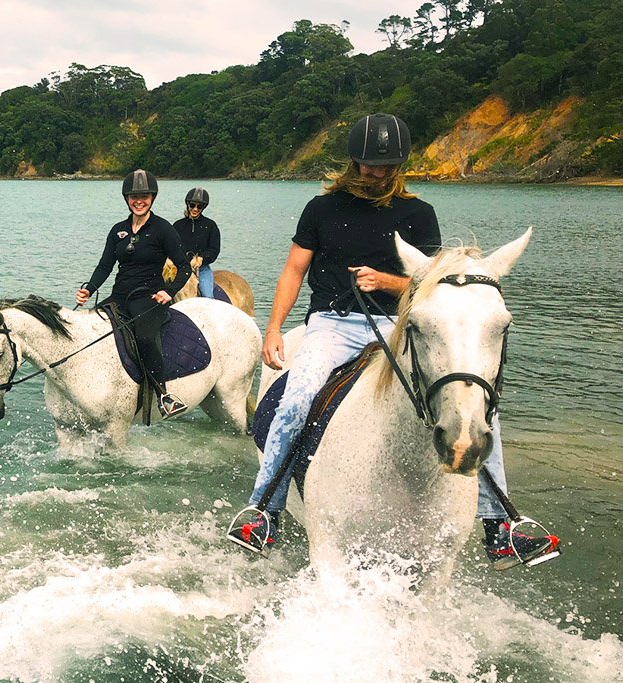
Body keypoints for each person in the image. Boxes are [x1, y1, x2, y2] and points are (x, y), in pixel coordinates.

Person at [228, 113, 560, 570]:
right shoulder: (321, 210)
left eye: (386, 166)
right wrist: (272, 328)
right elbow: (293, 271)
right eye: (369, 164)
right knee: (298, 396)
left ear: (400, 164)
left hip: (398, 326)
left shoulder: (418, 214)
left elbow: (435, 288)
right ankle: (265, 510)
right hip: (331, 322)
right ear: (353, 161)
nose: (377, 172)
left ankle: (499, 525)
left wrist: (386, 281)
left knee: (476, 405)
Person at [76, 169, 193, 418]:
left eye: (144, 196)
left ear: (153, 197)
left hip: (149, 298)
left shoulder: (163, 229)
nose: (139, 201)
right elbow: (105, 265)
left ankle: (164, 395)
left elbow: (184, 266)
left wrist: (169, 291)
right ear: (126, 198)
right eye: (133, 196)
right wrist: (89, 288)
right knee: (88, 329)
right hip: (119, 297)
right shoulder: (118, 230)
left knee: (145, 338)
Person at [172, 188, 221, 298]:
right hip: (180, 268)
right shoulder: (177, 225)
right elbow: (171, 247)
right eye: (192, 205)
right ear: (187, 204)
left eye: (199, 206)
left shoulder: (211, 226)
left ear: (203, 208)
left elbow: (214, 249)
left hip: (201, 269)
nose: (195, 209)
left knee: (208, 296)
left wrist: (202, 258)